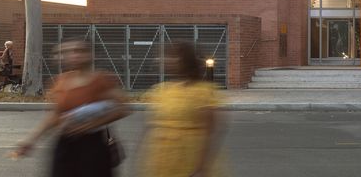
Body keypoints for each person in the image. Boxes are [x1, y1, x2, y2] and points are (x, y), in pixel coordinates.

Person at [13, 39, 130, 176]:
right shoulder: (60, 81)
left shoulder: (101, 79)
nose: (75, 55)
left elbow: (122, 109)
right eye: (70, 52)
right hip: (65, 144)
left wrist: (90, 125)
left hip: (93, 146)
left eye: (80, 51)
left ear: (91, 55)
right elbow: (54, 115)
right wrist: (30, 140)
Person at [139, 42, 226, 176]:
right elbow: (151, 127)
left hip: (191, 156)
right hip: (163, 158)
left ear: (187, 61)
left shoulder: (204, 92)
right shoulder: (161, 90)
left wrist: (201, 167)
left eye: (174, 57)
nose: (168, 61)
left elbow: (211, 132)